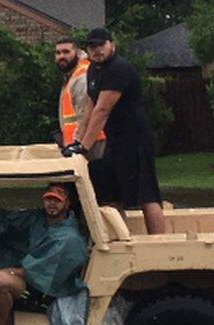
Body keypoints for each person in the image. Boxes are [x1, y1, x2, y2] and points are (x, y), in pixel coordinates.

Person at [62, 27, 166, 235]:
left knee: (146, 194)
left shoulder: (119, 68)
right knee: (110, 191)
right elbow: (89, 109)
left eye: (101, 45)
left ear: (112, 44)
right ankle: (120, 239)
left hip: (136, 139)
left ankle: (159, 243)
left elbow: (103, 110)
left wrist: (84, 147)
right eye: (92, 47)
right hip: (115, 140)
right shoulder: (93, 70)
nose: (97, 50)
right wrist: (76, 141)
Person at [0, 184, 88, 325]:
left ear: (67, 204)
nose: (52, 204)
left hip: (45, 293)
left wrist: (12, 271)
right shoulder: (38, 217)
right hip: (27, 280)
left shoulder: (70, 238)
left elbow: (44, 272)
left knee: (1, 279)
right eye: (48, 199)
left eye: (58, 200)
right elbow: (9, 220)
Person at [55, 36, 105, 160]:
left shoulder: (81, 77)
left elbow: (86, 115)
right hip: (80, 143)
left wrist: (79, 144)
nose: (61, 56)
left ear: (77, 53)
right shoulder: (72, 76)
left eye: (66, 52)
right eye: (58, 53)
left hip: (90, 144)